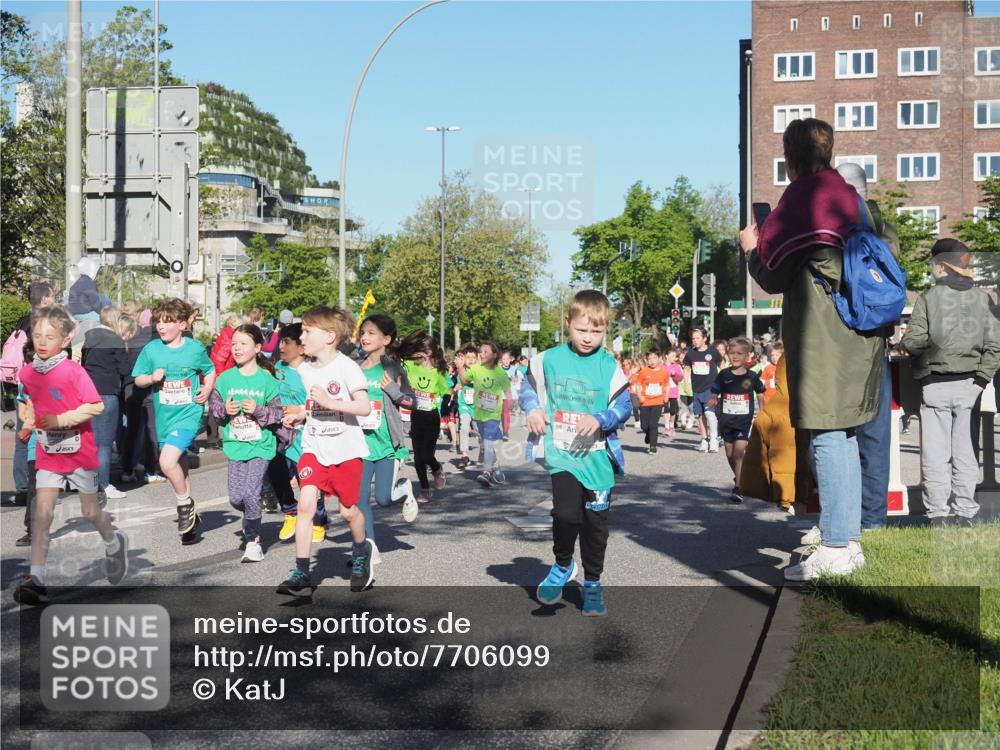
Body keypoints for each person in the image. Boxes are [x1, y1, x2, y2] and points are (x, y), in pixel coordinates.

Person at [742, 117, 884, 580]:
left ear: (790, 155)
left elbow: (772, 274)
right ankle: (846, 537)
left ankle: (839, 546)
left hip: (824, 335)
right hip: (862, 330)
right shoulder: (854, 200)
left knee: (826, 434)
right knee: (842, 434)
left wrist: (750, 247)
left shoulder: (804, 197)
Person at [519, 290, 632, 616]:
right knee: (566, 514)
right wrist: (533, 409)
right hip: (563, 454)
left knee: (596, 526)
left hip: (597, 459)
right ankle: (563, 564)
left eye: (596, 332)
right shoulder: (549, 359)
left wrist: (600, 418)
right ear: (568, 323)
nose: (588, 338)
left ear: (605, 329)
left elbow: (624, 406)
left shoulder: (609, 365)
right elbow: (527, 385)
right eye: (582, 330)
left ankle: (593, 582)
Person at [13, 305, 128, 605]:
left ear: (64, 341)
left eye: (50, 336)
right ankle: (36, 579)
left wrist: (61, 420)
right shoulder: (28, 372)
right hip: (47, 452)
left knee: (90, 512)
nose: (42, 341)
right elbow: (33, 403)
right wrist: (28, 423)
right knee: (43, 513)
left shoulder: (74, 371)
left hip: (79, 451)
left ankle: (114, 544)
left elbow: (95, 406)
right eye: (37, 335)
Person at [900, 239, 1000, 526]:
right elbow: (994, 345)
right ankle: (965, 512)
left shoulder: (928, 298)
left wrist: (924, 356)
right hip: (970, 384)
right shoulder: (983, 299)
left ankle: (938, 514)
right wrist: (981, 380)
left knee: (935, 454)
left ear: (942, 266)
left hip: (934, 384)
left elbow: (913, 340)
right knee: (966, 453)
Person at [277, 306, 374, 596]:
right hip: (315, 448)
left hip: (345, 451)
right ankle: (302, 573)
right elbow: (313, 406)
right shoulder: (305, 369)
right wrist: (301, 414)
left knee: (348, 512)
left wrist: (332, 404)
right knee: (305, 506)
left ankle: (360, 551)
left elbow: (364, 407)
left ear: (330, 336)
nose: (302, 336)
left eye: (308, 331)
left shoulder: (347, 367)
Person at [131, 298, 216, 543]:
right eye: (158, 321)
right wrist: (151, 378)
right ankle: (190, 525)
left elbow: (209, 370)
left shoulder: (195, 348)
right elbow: (137, 379)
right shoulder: (151, 350)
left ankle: (184, 505)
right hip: (165, 416)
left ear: (181, 324)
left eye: (167, 322)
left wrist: (208, 389)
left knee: (166, 462)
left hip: (189, 415)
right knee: (180, 463)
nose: (161, 327)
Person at [208, 324, 283, 562]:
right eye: (234, 344)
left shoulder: (267, 381)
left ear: (258, 348)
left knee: (251, 494)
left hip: (261, 445)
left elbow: (278, 414)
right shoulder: (226, 379)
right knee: (236, 498)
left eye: (243, 344)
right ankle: (254, 512)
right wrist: (224, 409)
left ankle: (253, 541)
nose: (237, 348)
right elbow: (215, 409)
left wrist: (259, 410)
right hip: (236, 445)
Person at [357, 314, 418, 539]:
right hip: (359, 445)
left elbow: (413, 402)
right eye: (363, 333)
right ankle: (367, 549)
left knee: (383, 499)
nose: (364, 337)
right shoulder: (355, 368)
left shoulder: (393, 370)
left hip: (386, 445)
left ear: (386, 339)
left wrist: (393, 390)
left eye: (371, 333)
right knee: (360, 501)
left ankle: (403, 490)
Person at [81, 305, 132, 501]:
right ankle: (103, 484)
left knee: (89, 440)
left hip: (87, 391)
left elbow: (84, 361)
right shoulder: (116, 340)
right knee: (103, 443)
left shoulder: (90, 337)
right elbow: (125, 368)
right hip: (108, 392)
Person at [709, 338, 766, 503]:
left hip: (743, 420)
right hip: (726, 419)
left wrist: (763, 411)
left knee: (738, 452)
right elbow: (715, 391)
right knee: (729, 453)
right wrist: (713, 399)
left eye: (739, 354)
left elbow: (760, 392)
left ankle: (739, 487)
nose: (735, 357)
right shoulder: (724, 375)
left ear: (747, 356)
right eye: (732, 353)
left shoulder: (751, 377)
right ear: (727, 355)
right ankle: (740, 477)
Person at [399, 331, 451, 502]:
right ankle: (424, 489)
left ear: (429, 352)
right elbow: (396, 357)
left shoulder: (439, 372)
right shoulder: (411, 366)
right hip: (416, 416)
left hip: (431, 418)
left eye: (420, 349)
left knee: (426, 455)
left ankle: (437, 469)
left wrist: (445, 411)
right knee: (417, 457)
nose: (417, 353)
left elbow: (447, 392)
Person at [457, 341, 512, 487]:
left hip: (493, 414)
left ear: (494, 355)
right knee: (484, 441)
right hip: (478, 413)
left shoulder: (500, 372)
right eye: (480, 352)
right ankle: (496, 466)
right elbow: (464, 381)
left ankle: (486, 472)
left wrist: (508, 407)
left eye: (485, 352)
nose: (482, 354)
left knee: (487, 441)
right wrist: (460, 368)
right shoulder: (475, 368)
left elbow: (507, 391)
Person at [683, 327, 720, 453]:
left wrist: (723, 380)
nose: (695, 340)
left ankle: (714, 439)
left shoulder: (712, 351)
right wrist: (686, 384)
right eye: (693, 338)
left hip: (711, 388)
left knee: (710, 413)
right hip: (696, 389)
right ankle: (705, 439)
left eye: (698, 338)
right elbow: (687, 369)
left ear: (705, 338)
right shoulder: (690, 353)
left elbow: (722, 364)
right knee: (700, 415)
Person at [633, 349, 670, 454]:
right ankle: (649, 435)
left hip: (658, 402)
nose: (652, 361)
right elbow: (638, 385)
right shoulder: (643, 371)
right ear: (646, 360)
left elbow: (667, 385)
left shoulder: (664, 372)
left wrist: (666, 396)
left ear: (659, 359)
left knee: (653, 424)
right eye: (649, 358)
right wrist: (640, 396)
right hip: (645, 402)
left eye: (654, 358)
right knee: (644, 425)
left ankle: (653, 446)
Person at [454, 346, 478, 469]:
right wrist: (457, 387)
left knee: (479, 432)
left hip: (478, 406)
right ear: (463, 358)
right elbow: (459, 383)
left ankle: (484, 452)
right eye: (468, 357)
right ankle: (464, 454)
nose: (470, 360)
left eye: (473, 357)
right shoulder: (461, 371)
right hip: (464, 405)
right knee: (463, 428)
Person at [663, 348, 684, 438]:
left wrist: (675, 374)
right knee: (666, 409)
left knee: (673, 410)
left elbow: (681, 377)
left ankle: (672, 425)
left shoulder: (676, 366)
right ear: (666, 356)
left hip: (674, 392)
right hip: (664, 392)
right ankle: (667, 427)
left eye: (675, 356)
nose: (674, 358)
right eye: (672, 356)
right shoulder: (662, 366)